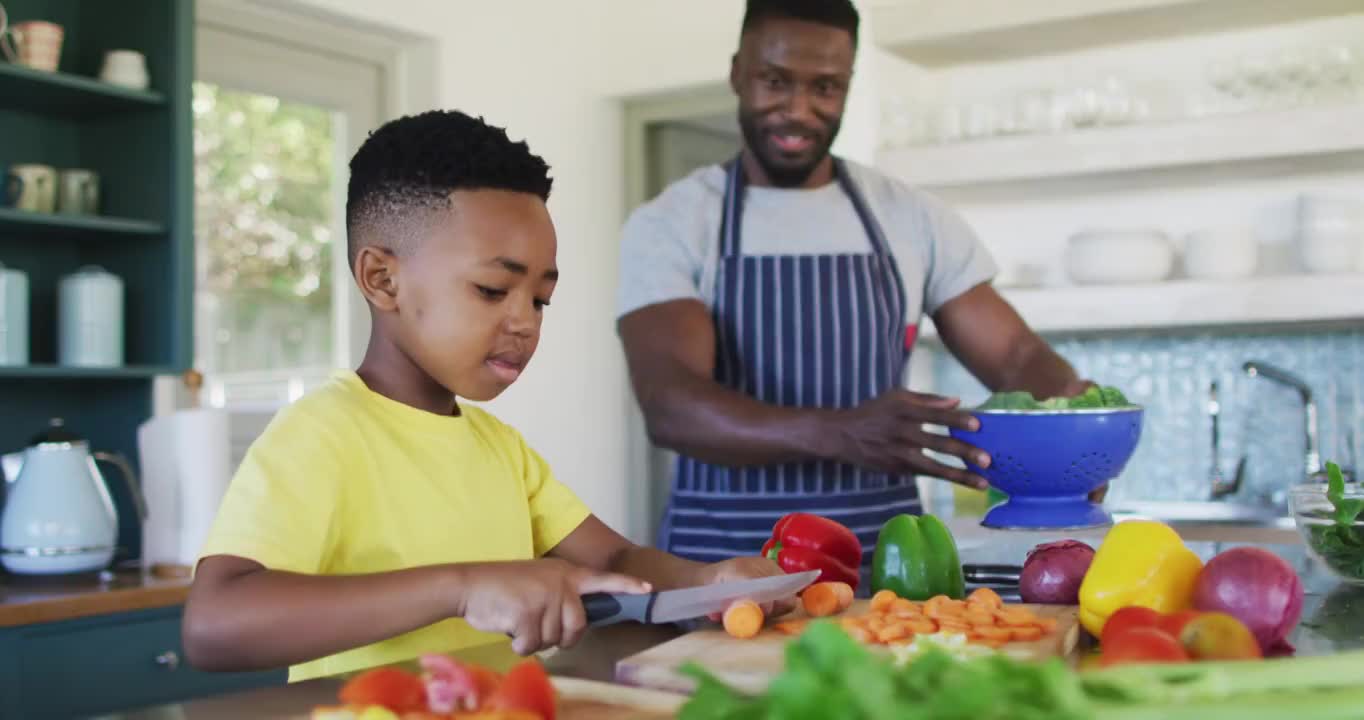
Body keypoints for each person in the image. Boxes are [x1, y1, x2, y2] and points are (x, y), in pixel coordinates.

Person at [183, 110, 787, 683]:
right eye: (493, 289)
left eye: (540, 299)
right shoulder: (321, 434)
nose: (525, 322)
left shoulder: (500, 449)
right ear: (382, 279)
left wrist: (710, 581)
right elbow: (213, 625)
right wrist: (464, 586)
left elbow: (617, 562)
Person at [615, 0, 1091, 575]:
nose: (799, 110)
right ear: (738, 72)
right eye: (774, 81)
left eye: (826, 87)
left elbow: (1016, 355)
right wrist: (842, 432)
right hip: (720, 571)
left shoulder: (911, 217)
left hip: (887, 568)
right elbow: (671, 405)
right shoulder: (672, 223)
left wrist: (1075, 438)